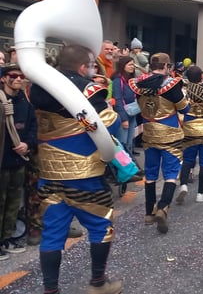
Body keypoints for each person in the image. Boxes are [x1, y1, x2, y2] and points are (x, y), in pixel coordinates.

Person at [29, 45, 122, 294]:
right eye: (91, 65)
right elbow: (106, 127)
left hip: (49, 172)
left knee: (52, 233)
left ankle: (50, 290)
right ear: (83, 67)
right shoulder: (88, 89)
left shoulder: (37, 88)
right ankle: (98, 283)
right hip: (84, 172)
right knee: (101, 225)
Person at [129, 53, 189, 234]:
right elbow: (184, 108)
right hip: (170, 133)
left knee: (151, 172)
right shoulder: (171, 85)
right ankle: (163, 208)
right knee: (171, 173)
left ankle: (149, 213)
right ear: (166, 66)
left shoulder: (139, 84)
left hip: (149, 132)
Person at [0, 64, 36, 259]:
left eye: (21, 76)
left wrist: (27, 144)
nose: (18, 79)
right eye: (13, 75)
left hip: (18, 160)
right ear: (3, 78)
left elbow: (32, 127)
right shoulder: (2, 102)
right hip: (2, 160)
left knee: (14, 202)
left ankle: (6, 238)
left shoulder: (25, 103)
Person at [176, 65, 203, 205]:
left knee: (187, 159)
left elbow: (181, 107)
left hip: (190, 128)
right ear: (201, 75)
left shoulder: (184, 89)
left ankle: (183, 185)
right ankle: (201, 193)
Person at [111, 56, 138, 155]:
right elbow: (118, 99)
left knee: (129, 142)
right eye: (130, 65)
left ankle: (129, 161)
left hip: (132, 114)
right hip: (123, 115)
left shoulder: (131, 80)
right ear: (123, 66)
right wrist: (124, 119)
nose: (132, 67)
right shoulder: (118, 80)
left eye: (133, 65)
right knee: (122, 143)